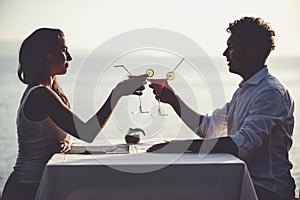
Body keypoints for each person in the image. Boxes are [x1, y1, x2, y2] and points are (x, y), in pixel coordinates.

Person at [148, 17, 295, 200]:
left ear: (250, 51)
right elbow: (209, 129)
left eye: (231, 47)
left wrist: (177, 146)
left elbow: (240, 145)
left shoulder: (271, 93)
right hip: (242, 184)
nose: (225, 53)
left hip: (267, 191)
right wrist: (173, 101)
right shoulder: (244, 91)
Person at [1, 28, 147, 200]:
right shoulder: (41, 95)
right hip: (25, 189)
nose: (69, 57)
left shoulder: (50, 91)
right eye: (63, 50)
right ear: (47, 54)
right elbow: (87, 133)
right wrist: (117, 94)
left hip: (37, 185)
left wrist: (64, 144)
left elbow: (62, 135)